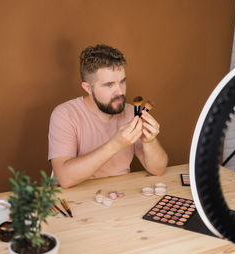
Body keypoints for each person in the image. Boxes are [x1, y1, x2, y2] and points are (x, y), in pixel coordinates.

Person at [48, 44, 168, 188]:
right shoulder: (65, 115)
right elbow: (65, 178)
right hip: (74, 199)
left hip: (118, 195)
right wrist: (115, 144)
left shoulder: (131, 113)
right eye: (109, 85)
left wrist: (150, 141)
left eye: (122, 82)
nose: (120, 92)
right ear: (88, 88)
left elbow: (158, 169)